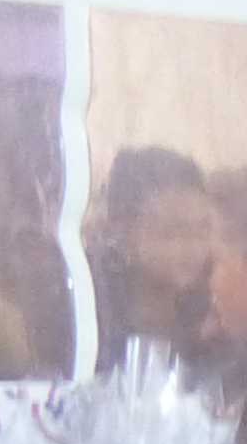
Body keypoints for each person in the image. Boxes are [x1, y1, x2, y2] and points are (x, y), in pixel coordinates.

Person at [89, 142, 226, 377]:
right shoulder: (93, 313)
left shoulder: (214, 313)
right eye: (172, 231)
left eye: (202, 230)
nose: (193, 248)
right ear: (121, 228)